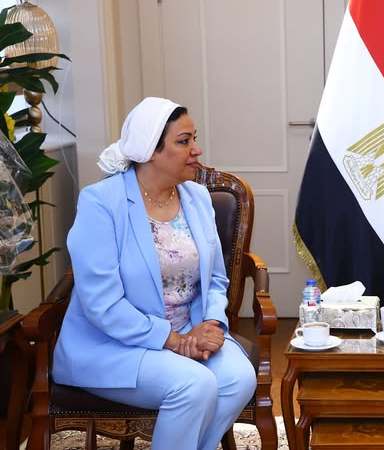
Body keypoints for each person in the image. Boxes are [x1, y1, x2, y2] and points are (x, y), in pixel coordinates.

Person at [53, 97, 256, 450]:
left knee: (239, 379)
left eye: (194, 138)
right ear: (150, 150)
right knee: (194, 385)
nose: (197, 150)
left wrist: (210, 324)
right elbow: (103, 305)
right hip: (114, 345)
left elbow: (215, 279)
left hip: (188, 331)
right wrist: (173, 341)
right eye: (184, 141)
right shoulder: (101, 202)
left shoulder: (197, 197)